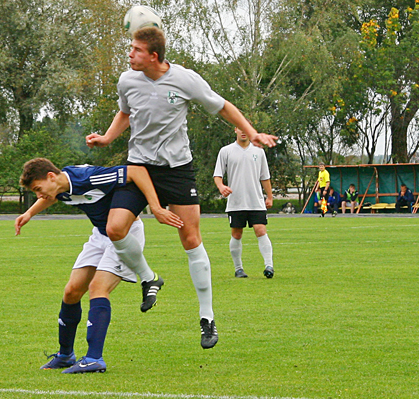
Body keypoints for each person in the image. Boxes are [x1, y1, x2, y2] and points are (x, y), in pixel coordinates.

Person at [85, 26, 277, 349]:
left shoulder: (185, 79)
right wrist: (107, 138)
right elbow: (125, 113)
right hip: (139, 168)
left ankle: (207, 318)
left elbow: (223, 106)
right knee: (115, 228)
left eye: (136, 50)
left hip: (177, 171)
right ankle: (148, 277)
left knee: (190, 239)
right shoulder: (127, 80)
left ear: (153, 56)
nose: (129, 54)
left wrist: (252, 132)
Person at [15, 158, 182, 373]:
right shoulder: (59, 187)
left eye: (38, 189)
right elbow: (52, 197)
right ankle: (65, 355)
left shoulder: (89, 178)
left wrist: (156, 208)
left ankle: (94, 358)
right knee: (71, 292)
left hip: (124, 236)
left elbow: (136, 172)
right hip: (100, 236)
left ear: (51, 176)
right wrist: (29, 213)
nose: (39, 195)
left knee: (98, 288)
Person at [213, 126, 275, 279]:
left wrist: (269, 196)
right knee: (236, 233)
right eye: (240, 128)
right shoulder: (226, 151)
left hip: (256, 201)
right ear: (235, 130)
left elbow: (265, 176)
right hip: (236, 201)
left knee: (261, 230)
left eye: (245, 129)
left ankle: (269, 266)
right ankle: (238, 269)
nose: (243, 132)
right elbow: (218, 175)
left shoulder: (259, 151)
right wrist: (221, 187)